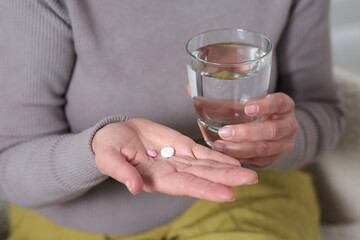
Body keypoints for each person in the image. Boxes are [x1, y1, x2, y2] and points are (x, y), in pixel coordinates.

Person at [0, 0, 344, 239]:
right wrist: (95, 150)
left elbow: (324, 110)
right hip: (67, 216)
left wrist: (277, 141)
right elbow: (10, 166)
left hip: (240, 192)